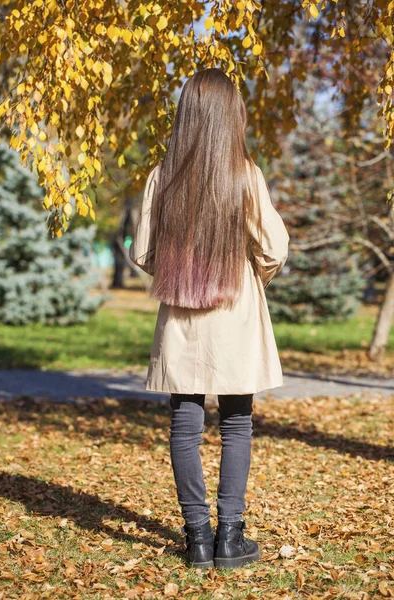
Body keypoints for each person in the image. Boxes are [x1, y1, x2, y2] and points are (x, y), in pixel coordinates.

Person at [129, 68, 289, 570]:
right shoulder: (244, 172)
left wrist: (176, 274)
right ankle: (230, 539)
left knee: (185, 423)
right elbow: (274, 246)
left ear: (187, 115)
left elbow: (142, 250)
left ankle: (197, 538)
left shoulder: (163, 174)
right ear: (230, 116)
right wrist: (251, 277)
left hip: (183, 313)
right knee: (237, 422)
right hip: (235, 310)